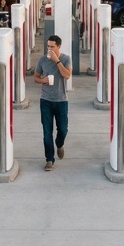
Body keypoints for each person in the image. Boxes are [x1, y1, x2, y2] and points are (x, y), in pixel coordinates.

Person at [34, 35, 72, 171]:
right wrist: (42, 80)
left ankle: (59, 144)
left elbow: (67, 75)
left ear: (59, 47)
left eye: (52, 46)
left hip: (61, 100)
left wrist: (57, 61)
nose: (49, 49)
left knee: (63, 129)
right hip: (45, 100)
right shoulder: (42, 60)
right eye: (48, 46)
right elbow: (36, 77)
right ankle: (49, 159)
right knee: (46, 131)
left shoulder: (66, 59)